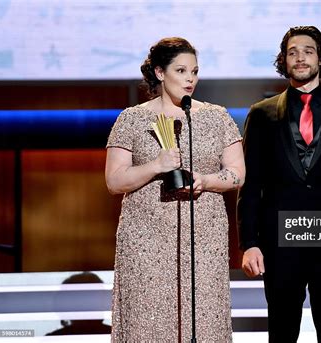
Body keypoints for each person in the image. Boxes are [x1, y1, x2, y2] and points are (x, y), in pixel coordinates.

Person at [105, 37, 244, 342]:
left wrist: (205, 181)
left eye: (194, 71)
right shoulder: (132, 119)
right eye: (181, 71)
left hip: (204, 238)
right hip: (145, 240)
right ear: (159, 72)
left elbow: (237, 173)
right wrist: (155, 165)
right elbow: (114, 182)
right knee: (148, 324)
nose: (190, 79)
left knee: (204, 319)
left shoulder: (217, 117)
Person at [238, 26, 321, 342]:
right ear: (283, 61)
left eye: (308, 51)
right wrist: (249, 243)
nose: (300, 57)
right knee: (282, 332)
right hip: (279, 243)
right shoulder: (261, 114)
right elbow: (250, 183)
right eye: (292, 52)